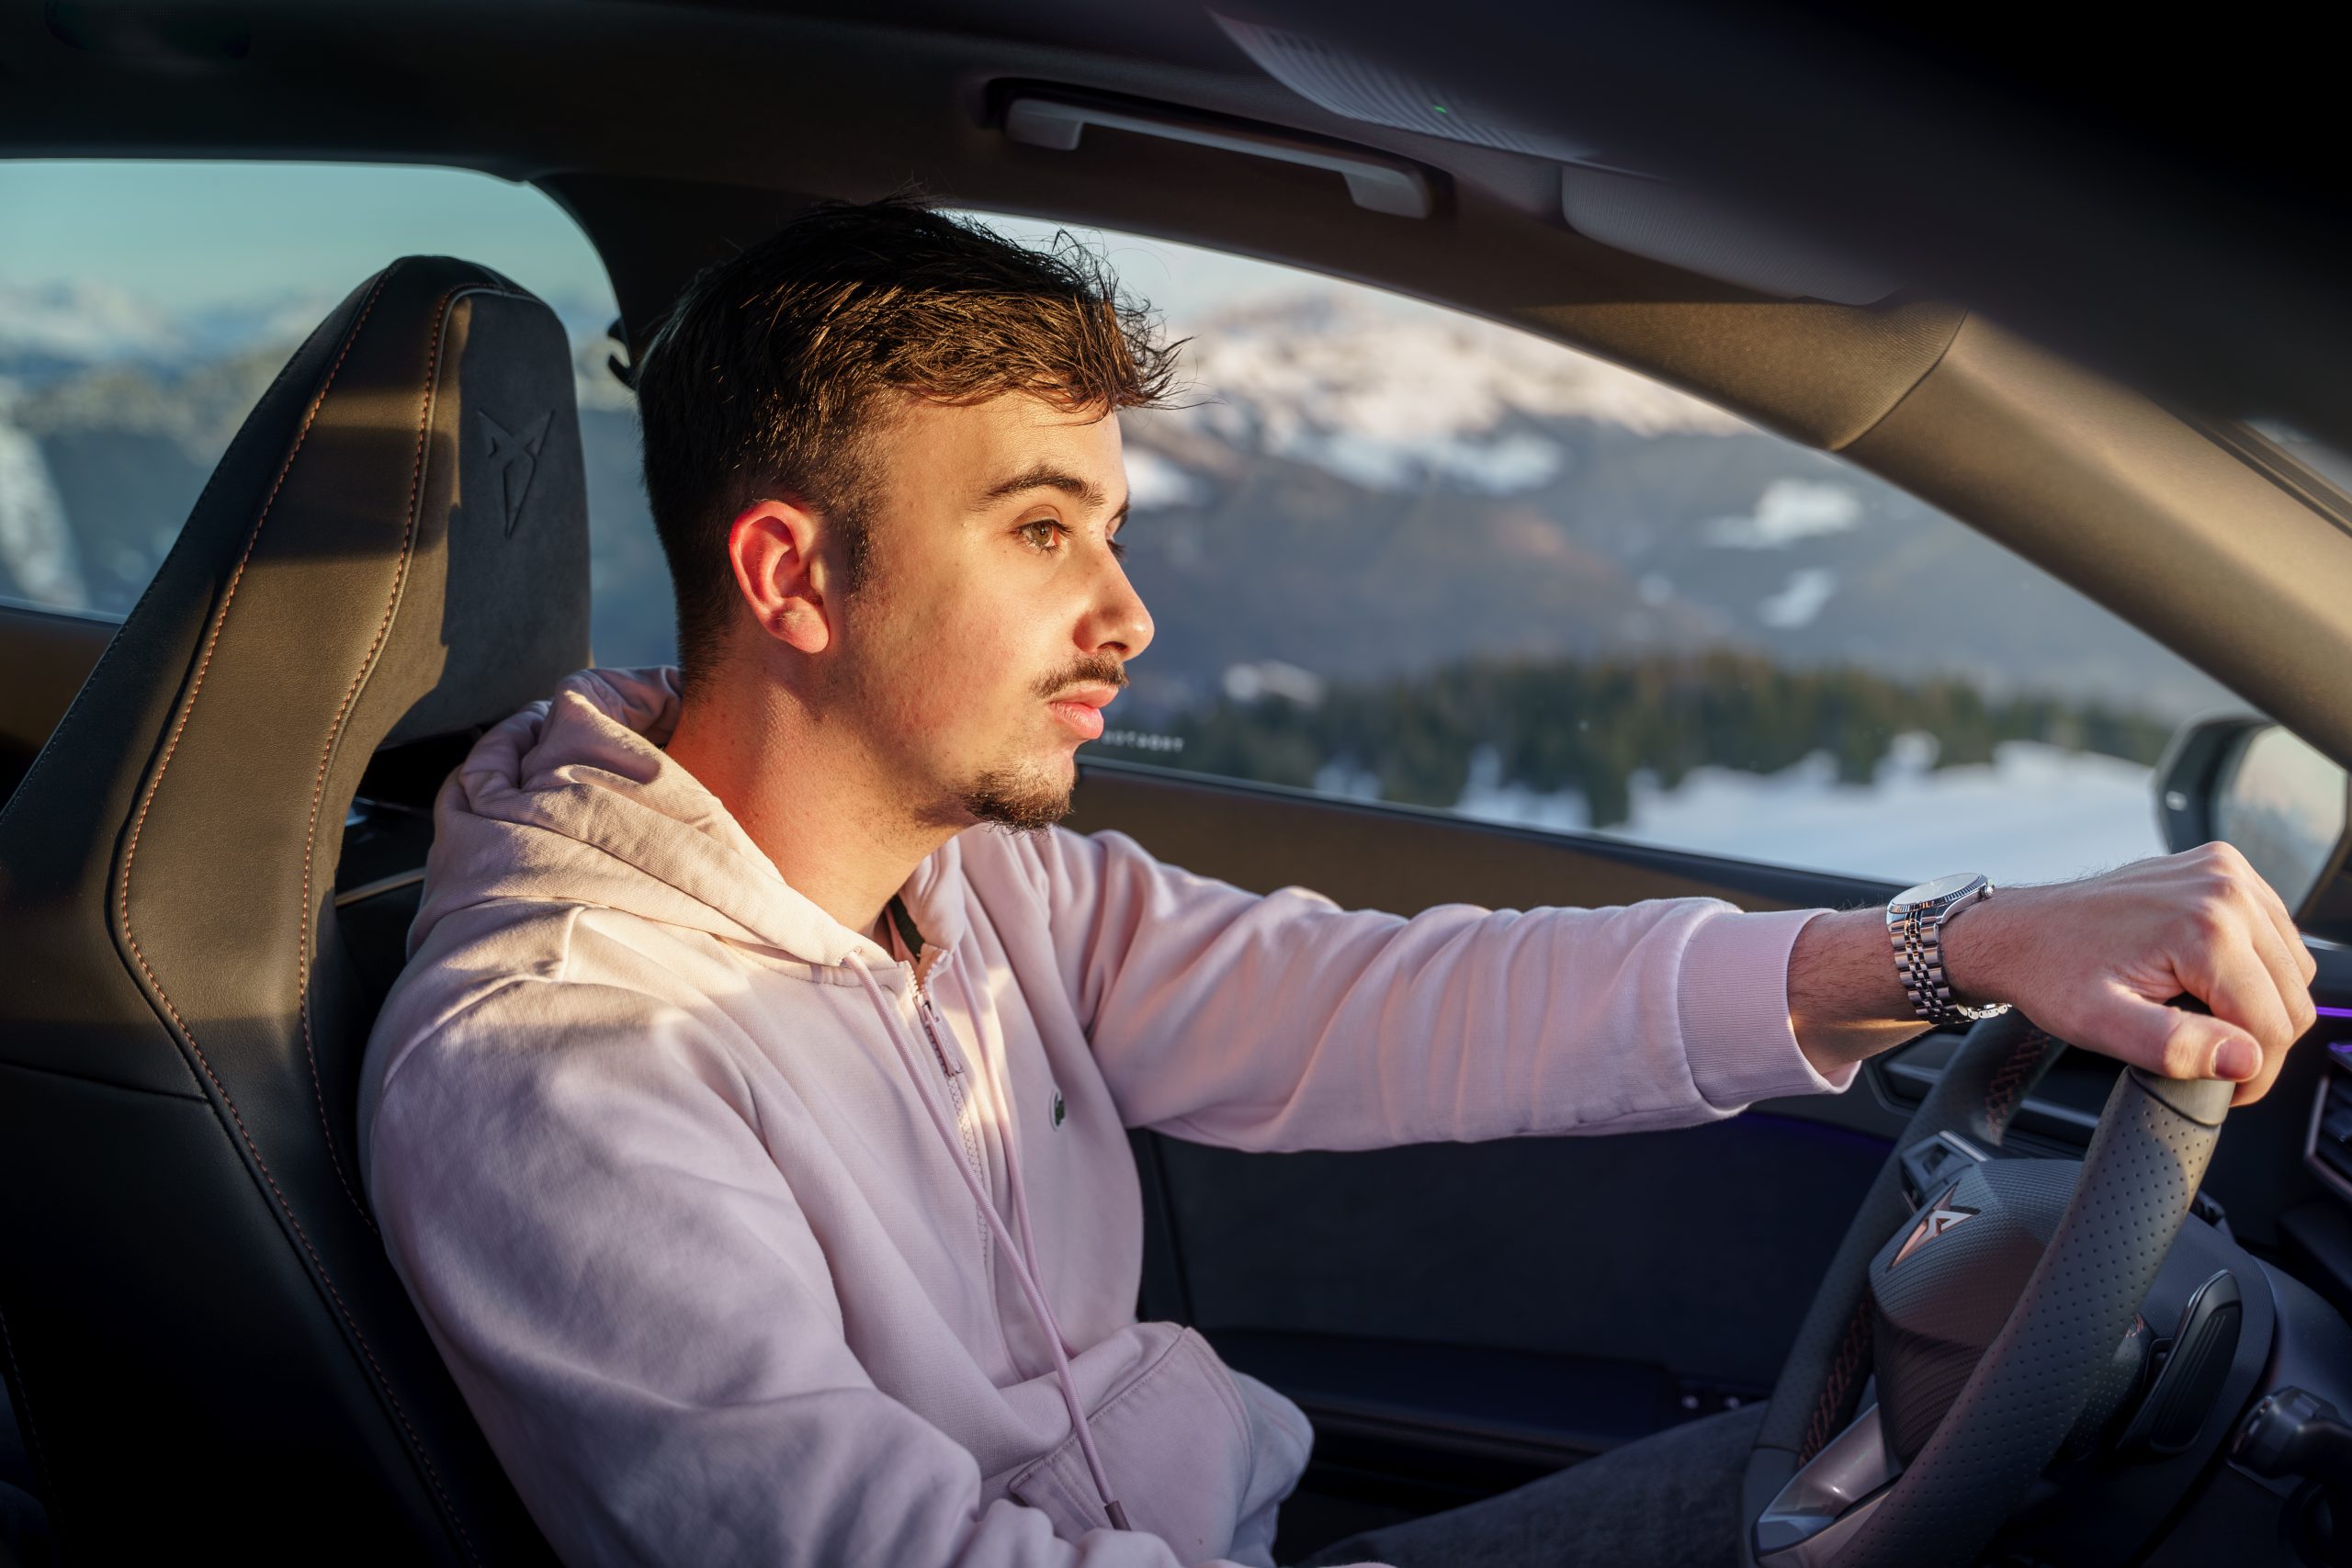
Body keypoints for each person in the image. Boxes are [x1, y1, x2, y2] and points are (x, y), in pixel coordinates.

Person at [357, 199, 2317, 1568]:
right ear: (793, 576)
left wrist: (1953, 942)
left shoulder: (983, 889)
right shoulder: (562, 1066)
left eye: (1109, 526)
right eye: (1042, 529)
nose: (1124, 608)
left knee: (1902, 1476)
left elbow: (1415, 1002)